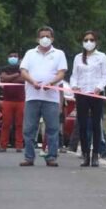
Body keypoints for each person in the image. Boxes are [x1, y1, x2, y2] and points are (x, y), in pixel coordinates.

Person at [19, 26, 68, 167]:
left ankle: (51, 157)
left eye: (48, 36)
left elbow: (61, 73)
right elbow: (23, 71)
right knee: (29, 129)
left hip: (51, 98)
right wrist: (32, 81)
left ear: (52, 38)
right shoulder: (30, 53)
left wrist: (51, 83)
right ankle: (29, 157)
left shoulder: (59, 54)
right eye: (42, 36)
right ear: (37, 39)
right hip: (32, 97)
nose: (45, 39)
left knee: (52, 129)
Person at [70, 30, 106, 167]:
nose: (89, 42)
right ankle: (85, 154)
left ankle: (96, 154)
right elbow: (74, 76)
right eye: (86, 40)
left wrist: (99, 87)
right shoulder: (78, 58)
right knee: (82, 124)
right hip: (82, 94)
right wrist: (74, 86)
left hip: (96, 94)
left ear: (96, 42)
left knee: (96, 125)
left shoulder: (101, 57)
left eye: (91, 40)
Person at [0, 51, 25, 152]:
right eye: (11, 56)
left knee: (19, 124)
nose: (13, 57)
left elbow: (23, 79)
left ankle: (19, 145)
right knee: (5, 124)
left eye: (15, 56)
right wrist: (17, 75)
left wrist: (9, 78)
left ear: (18, 58)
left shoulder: (23, 68)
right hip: (7, 100)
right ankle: (3, 145)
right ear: (8, 58)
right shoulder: (4, 68)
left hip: (20, 100)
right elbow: (3, 78)